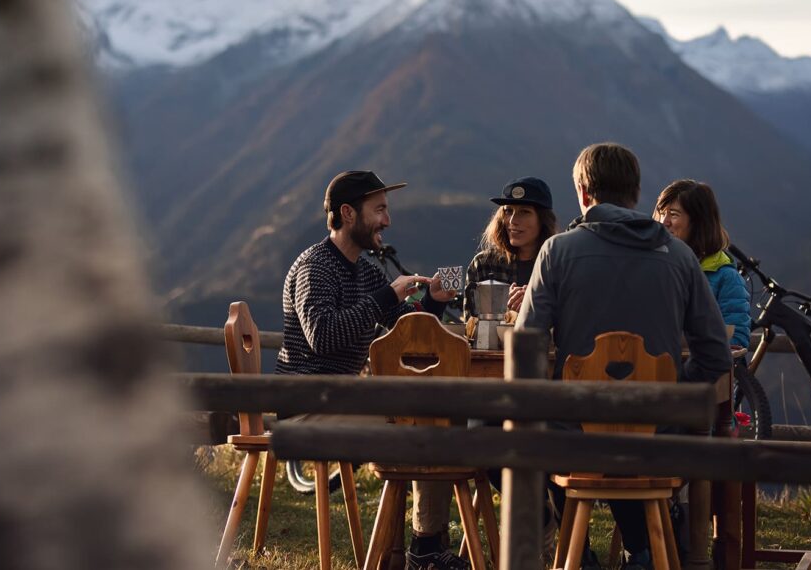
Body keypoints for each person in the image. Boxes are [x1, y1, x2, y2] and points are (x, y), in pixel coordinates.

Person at [516, 143, 732, 570]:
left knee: (530, 431)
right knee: (626, 439)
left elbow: (525, 350)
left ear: (583, 192)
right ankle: (645, 550)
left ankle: (578, 556)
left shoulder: (557, 252)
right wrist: (672, 393)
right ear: (635, 193)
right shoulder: (681, 257)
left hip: (574, 441)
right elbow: (715, 354)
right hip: (659, 441)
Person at [275, 170, 466, 570]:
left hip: (344, 400)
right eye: (379, 210)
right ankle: (423, 548)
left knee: (434, 416)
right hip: (307, 406)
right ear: (348, 213)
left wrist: (432, 301)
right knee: (424, 423)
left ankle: (419, 546)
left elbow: (405, 332)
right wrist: (385, 296)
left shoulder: (364, 270)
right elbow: (323, 336)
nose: (387, 220)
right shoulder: (315, 266)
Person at [653, 179, 752, 348]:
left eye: (674, 214)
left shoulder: (726, 277)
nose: (664, 221)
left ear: (698, 222)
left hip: (699, 364)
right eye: (662, 213)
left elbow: (736, 339)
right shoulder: (653, 266)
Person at [463, 177, 560, 317]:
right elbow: (470, 324)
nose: (513, 220)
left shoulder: (559, 265)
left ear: (543, 219)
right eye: (508, 211)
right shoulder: (484, 264)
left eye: (524, 212)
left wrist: (536, 302)